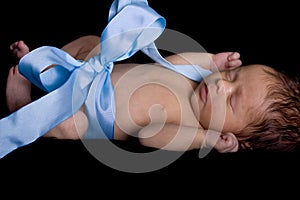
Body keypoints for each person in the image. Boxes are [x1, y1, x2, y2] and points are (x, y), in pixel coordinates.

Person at [6, 35, 300, 154]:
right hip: (95, 73)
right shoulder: (196, 81)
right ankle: (41, 65)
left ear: (234, 139)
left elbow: (148, 135)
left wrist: (205, 140)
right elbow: (169, 64)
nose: (223, 86)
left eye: (232, 100)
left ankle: (23, 105)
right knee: (92, 42)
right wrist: (211, 60)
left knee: (67, 127)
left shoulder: (191, 127)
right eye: (233, 76)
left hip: (91, 113)